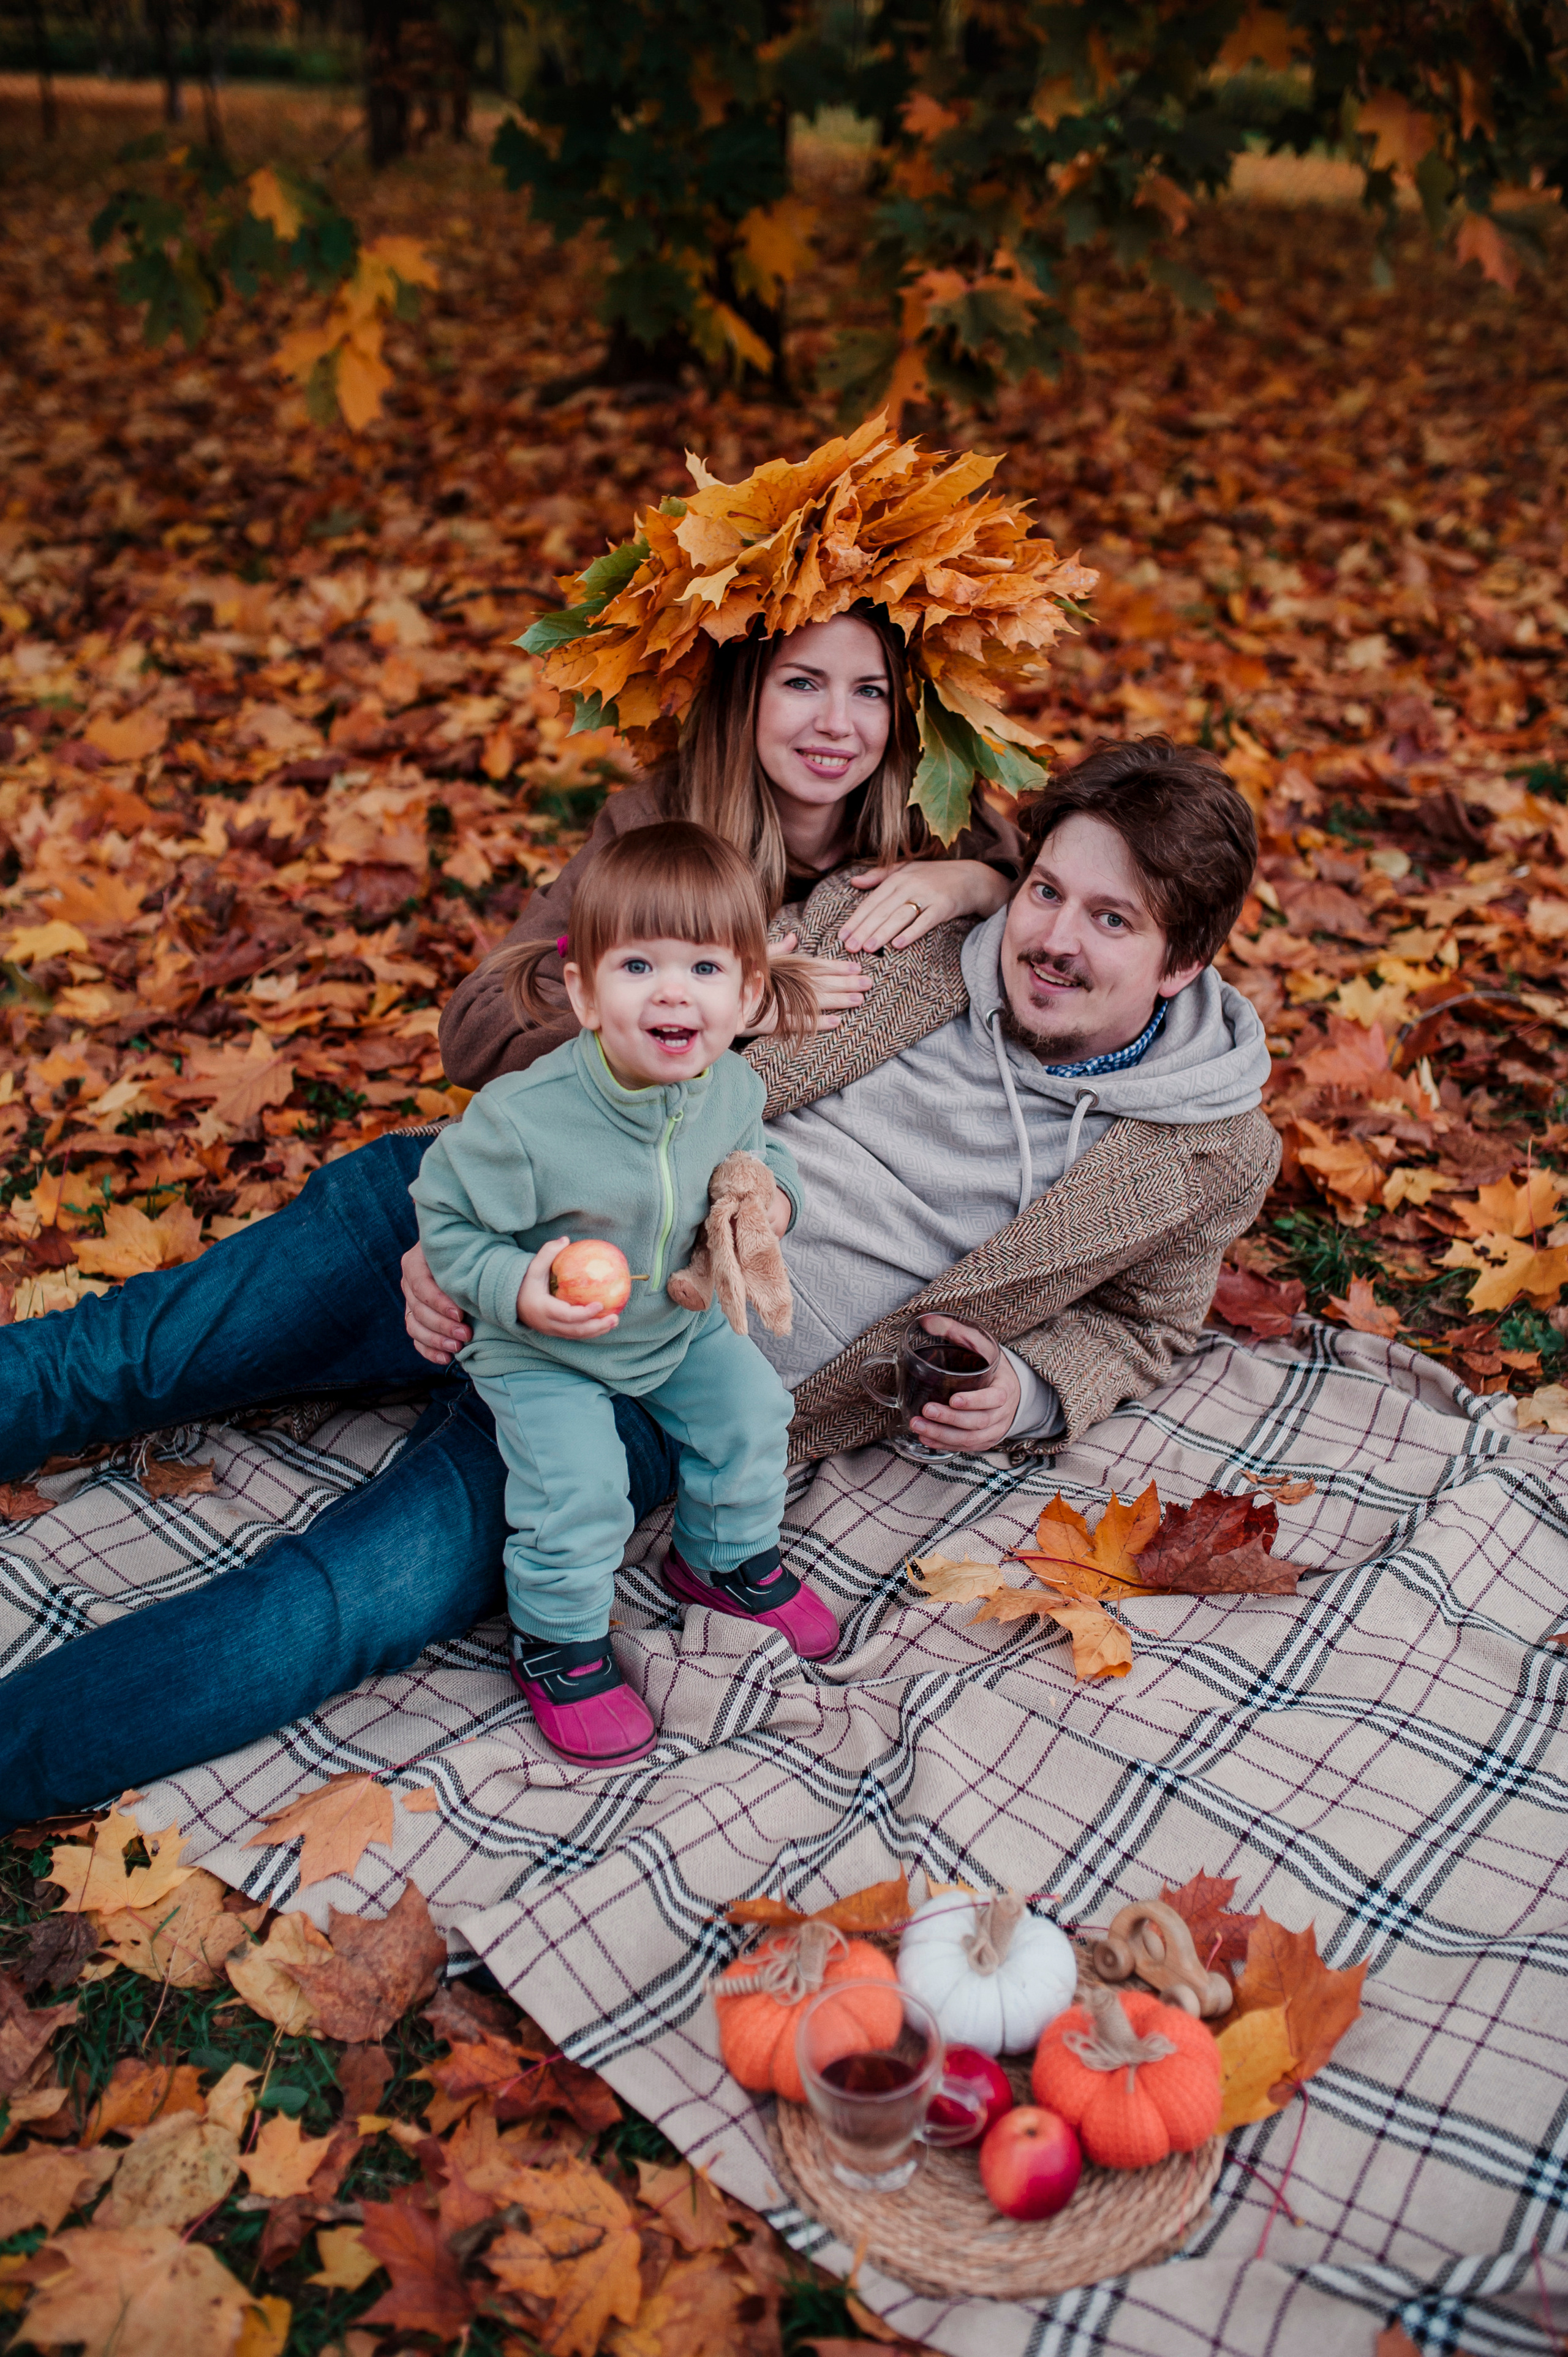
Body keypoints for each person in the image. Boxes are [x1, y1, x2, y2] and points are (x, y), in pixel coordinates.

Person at [0, 420, 1275, 1825]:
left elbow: (1152, 1319)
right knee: (127, 1355)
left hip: (662, 1375)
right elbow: (515, 1028)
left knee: (347, 1599)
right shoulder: (854, 918)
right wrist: (482, 1210)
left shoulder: (1192, 1142)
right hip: (503, 1198)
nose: (1054, 936)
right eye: (1043, 893)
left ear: (1181, 966)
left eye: (1111, 923)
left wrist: (1033, 1391)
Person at [410, 822, 835, 1768]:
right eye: (638, 966)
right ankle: (557, 1642)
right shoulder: (525, 1119)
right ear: (585, 995)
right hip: (541, 1345)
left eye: (705, 969)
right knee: (583, 1487)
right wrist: (518, 1287)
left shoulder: (727, 1087)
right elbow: (443, 1218)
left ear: (749, 994)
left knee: (757, 1409)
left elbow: (757, 1161)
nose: (674, 991)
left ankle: (721, 1558)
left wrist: (771, 1202)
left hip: (667, 1323)